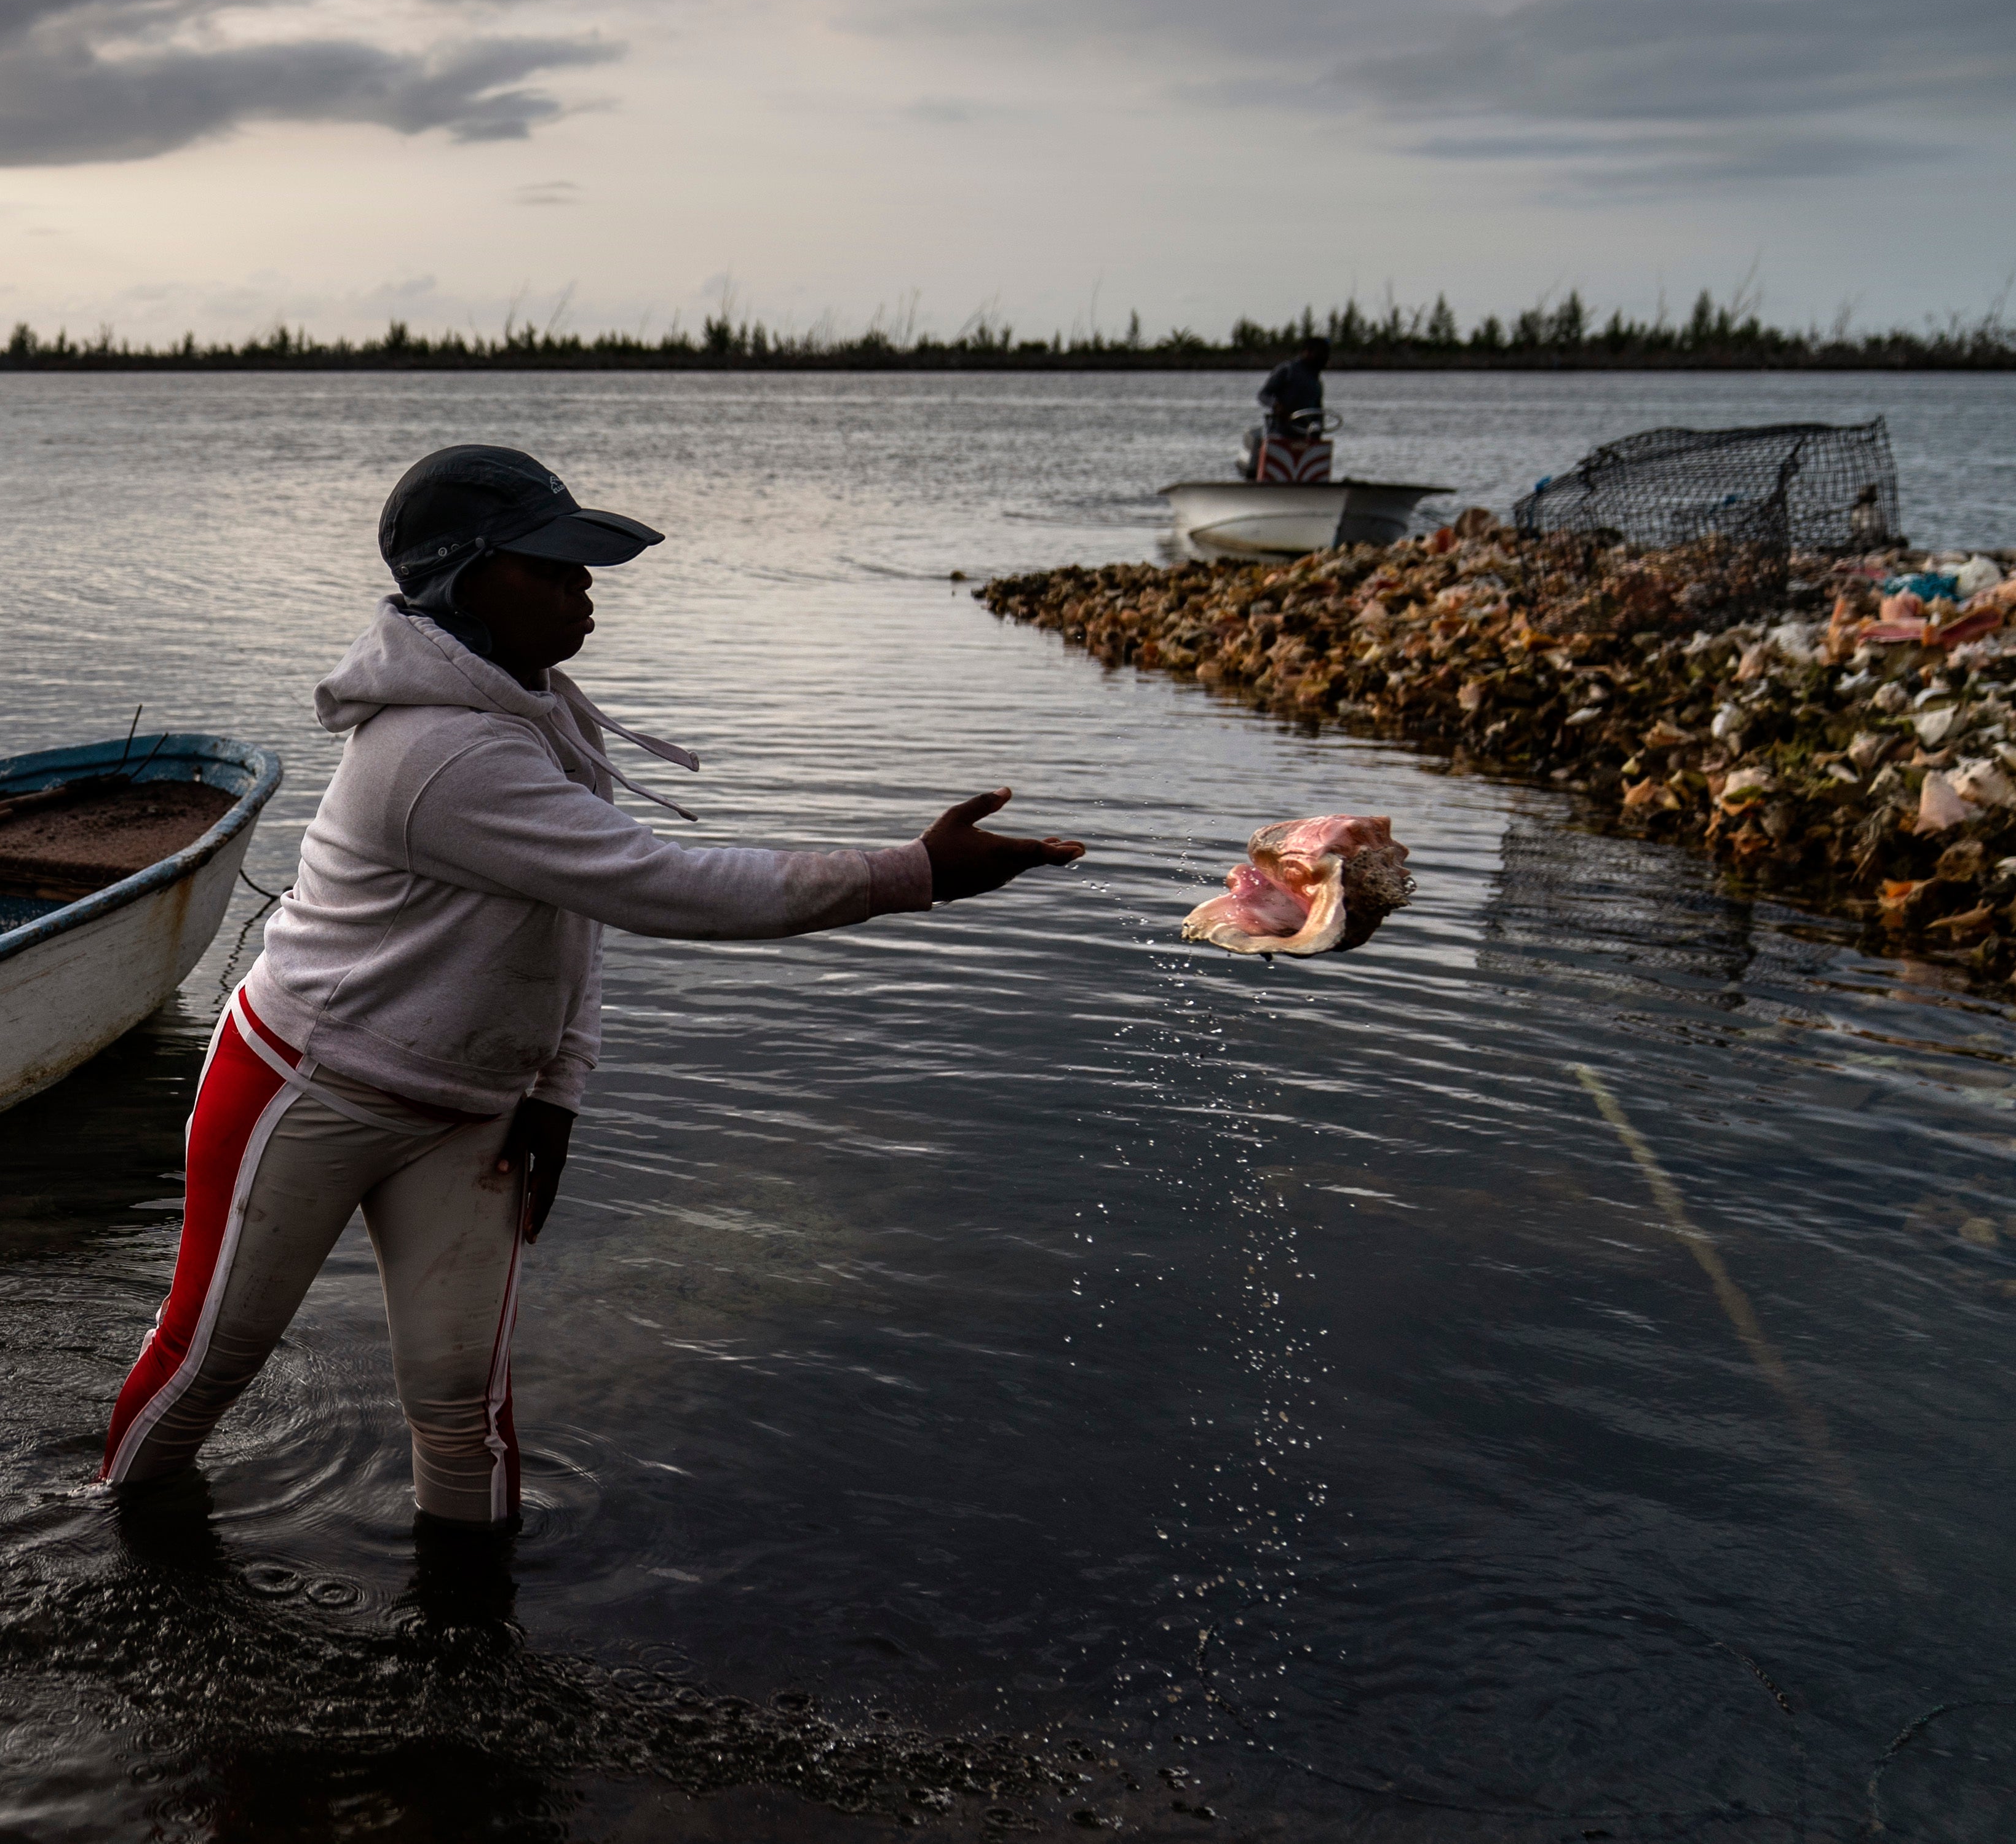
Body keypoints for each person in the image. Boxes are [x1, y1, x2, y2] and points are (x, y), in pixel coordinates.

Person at [100, 445, 1085, 1533]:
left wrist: (558, 1087)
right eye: (556, 571)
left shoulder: (535, 718)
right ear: (471, 585)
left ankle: (467, 1655)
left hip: (470, 1112)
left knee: (463, 1412)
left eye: (584, 571)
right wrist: (917, 875)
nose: (586, 594)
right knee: (210, 1364)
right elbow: (662, 884)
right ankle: (106, 1553)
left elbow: (579, 914)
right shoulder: (441, 754)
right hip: (310, 1089)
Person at [1244, 337, 1330, 480]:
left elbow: (1318, 412)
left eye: (1326, 355)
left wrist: (1318, 433)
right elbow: (1263, 395)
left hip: (1304, 437)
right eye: (1321, 354)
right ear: (1307, 352)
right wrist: (1276, 405)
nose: (1325, 358)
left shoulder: (1317, 382)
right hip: (1280, 433)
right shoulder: (1287, 370)